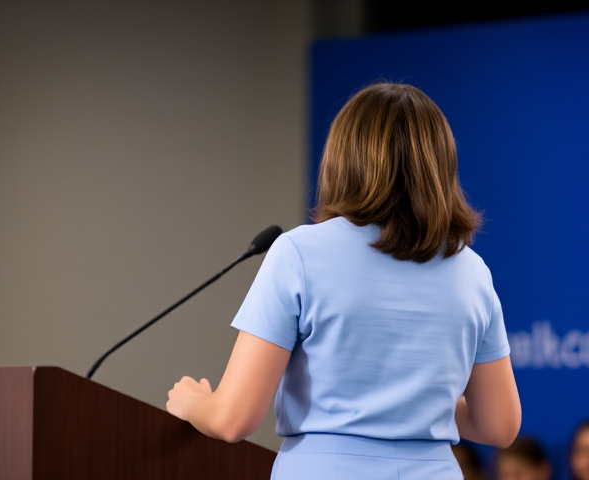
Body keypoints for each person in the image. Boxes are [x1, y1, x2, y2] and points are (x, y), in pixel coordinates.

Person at [165, 82, 521, 480]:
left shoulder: (298, 252)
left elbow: (233, 419)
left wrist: (191, 402)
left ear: (343, 159)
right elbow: (499, 426)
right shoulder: (471, 270)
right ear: (440, 165)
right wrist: (420, 401)